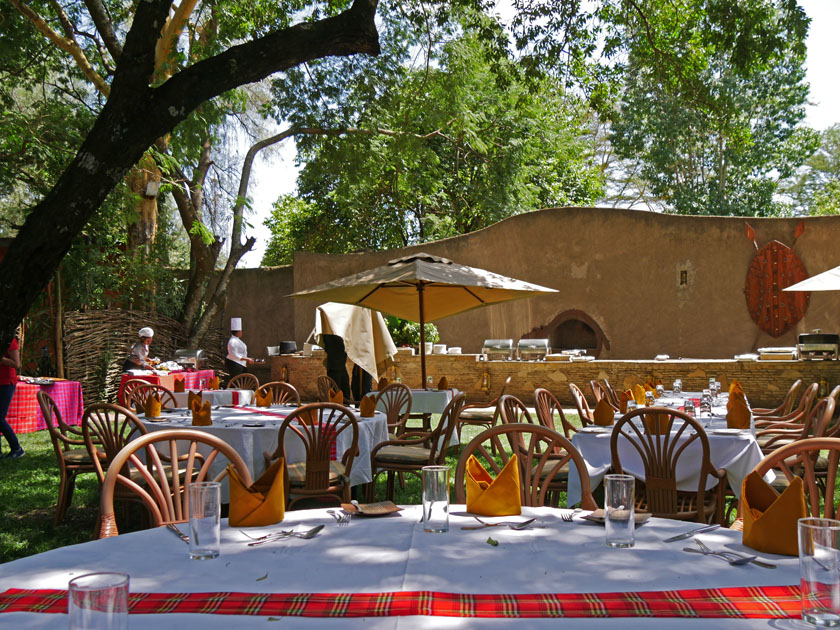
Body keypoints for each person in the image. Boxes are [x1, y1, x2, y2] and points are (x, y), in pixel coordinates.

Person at [0, 330, 23, 459]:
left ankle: (17, 448)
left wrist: (1, 359)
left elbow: (16, 364)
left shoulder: (10, 342)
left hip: (6, 383)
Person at [321, 333, 351, 400]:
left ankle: (345, 403)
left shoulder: (334, 333)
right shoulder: (331, 334)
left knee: (344, 388)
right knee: (336, 390)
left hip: (339, 365)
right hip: (334, 365)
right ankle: (340, 404)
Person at [225, 318, 255, 385]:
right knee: (236, 382)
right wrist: (246, 359)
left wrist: (247, 359)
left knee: (243, 381)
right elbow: (234, 355)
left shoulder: (237, 340)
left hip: (240, 363)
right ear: (239, 332)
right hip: (234, 363)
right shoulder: (233, 341)